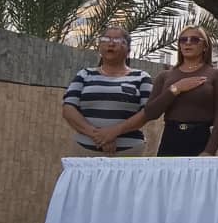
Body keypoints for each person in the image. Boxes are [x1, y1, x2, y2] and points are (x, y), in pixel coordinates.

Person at [61, 26, 153, 156]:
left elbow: (146, 113)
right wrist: (99, 136)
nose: (111, 43)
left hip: (128, 152)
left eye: (117, 40)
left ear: (128, 50)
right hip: (84, 151)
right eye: (106, 39)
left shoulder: (142, 77)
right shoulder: (84, 74)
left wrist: (114, 132)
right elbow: (68, 109)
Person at [143, 26, 218, 156]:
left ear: (205, 46)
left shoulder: (216, 75)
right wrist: (175, 89)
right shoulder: (165, 76)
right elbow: (151, 112)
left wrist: (209, 151)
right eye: (183, 40)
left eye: (194, 39)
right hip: (170, 138)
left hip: (202, 138)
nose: (188, 43)